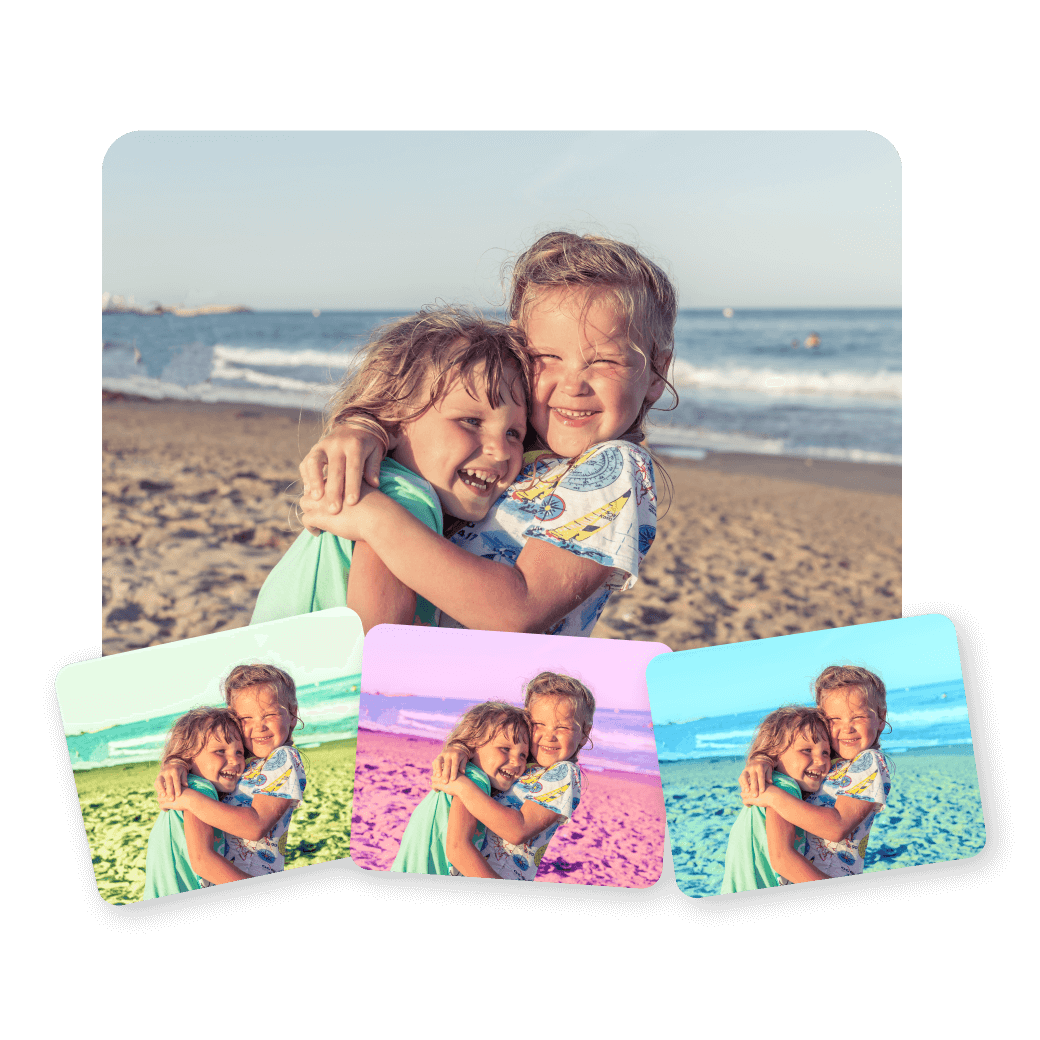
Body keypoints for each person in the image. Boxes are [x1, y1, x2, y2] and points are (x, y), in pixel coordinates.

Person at [297, 231, 678, 636]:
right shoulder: (512, 442)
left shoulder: (613, 466)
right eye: (547, 356)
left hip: (484, 695)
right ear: (517, 348)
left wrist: (375, 519)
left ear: (656, 372)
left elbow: (519, 610)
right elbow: (427, 401)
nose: (573, 385)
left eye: (603, 361)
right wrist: (366, 429)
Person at [251, 308, 531, 633]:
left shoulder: (385, 484)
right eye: (471, 421)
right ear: (395, 423)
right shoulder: (405, 498)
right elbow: (378, 644)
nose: (500, 450)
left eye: (514, 433)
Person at [430, 671, 592, 880]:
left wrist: (462, 786)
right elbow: (488, 741)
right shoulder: (520, 762)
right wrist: (459, 748)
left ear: (585, 733)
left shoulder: (564, 773)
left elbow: (518, 830)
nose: (549, 735)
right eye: (539, 724)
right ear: (527, 720)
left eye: (562, 727)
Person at [739, 665, 892, 878]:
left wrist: (773, 796)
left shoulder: (869, 761)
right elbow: (789, 745)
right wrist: (763, 759)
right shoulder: (826, 758)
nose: (847, 728)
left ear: (881, 718)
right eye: (834, 720)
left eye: (858, 717)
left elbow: (836, 827)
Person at [155, 664, 308, 877]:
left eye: (269, 715)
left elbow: (255, 826)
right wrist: (177, 763)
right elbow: (203, 752)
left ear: (292, 714)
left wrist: (189, 799)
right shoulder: (241, 760)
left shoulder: (284, 758)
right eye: (246, 719)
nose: (259, 726)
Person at [390, 702, 531, 878]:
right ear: (473, 745)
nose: (516, 762)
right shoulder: (473, 779)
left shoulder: (465, 776)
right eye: (505, 748)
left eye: (523, 755)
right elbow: (458, 849)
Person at [720, 705, 832, 893]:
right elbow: (783, 859)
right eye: (806, 750)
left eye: (826, 752)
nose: (820, 761)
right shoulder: (783, 786)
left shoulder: (773, 785)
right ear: (774, 754)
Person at [143, 706, 251, 898]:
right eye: (220, 751)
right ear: (188, 757)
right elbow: (203, 861)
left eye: (240, 752)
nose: (234, 761)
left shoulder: (191, 787)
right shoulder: (199, 789)